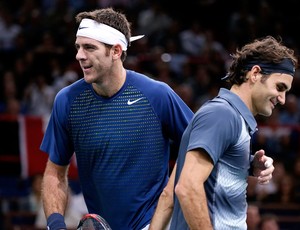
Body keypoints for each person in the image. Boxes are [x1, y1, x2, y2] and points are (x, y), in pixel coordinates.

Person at [39, 7, 194, 230]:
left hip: (154, 224)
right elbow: (55, 173)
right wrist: (55, 225)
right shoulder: (67, 101)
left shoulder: (156, 95)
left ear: (116, 51)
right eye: (78, 47)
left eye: (90, 47)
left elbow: (202, 142)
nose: (79, 55)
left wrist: (248, 163)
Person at [150, 36, 297, 229]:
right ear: (255, 74)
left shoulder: (226, 116)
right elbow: (187, 188)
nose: (283, 99)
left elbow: (169, 195)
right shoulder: (222, 115)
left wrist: (248, 164)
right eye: (280, 87)